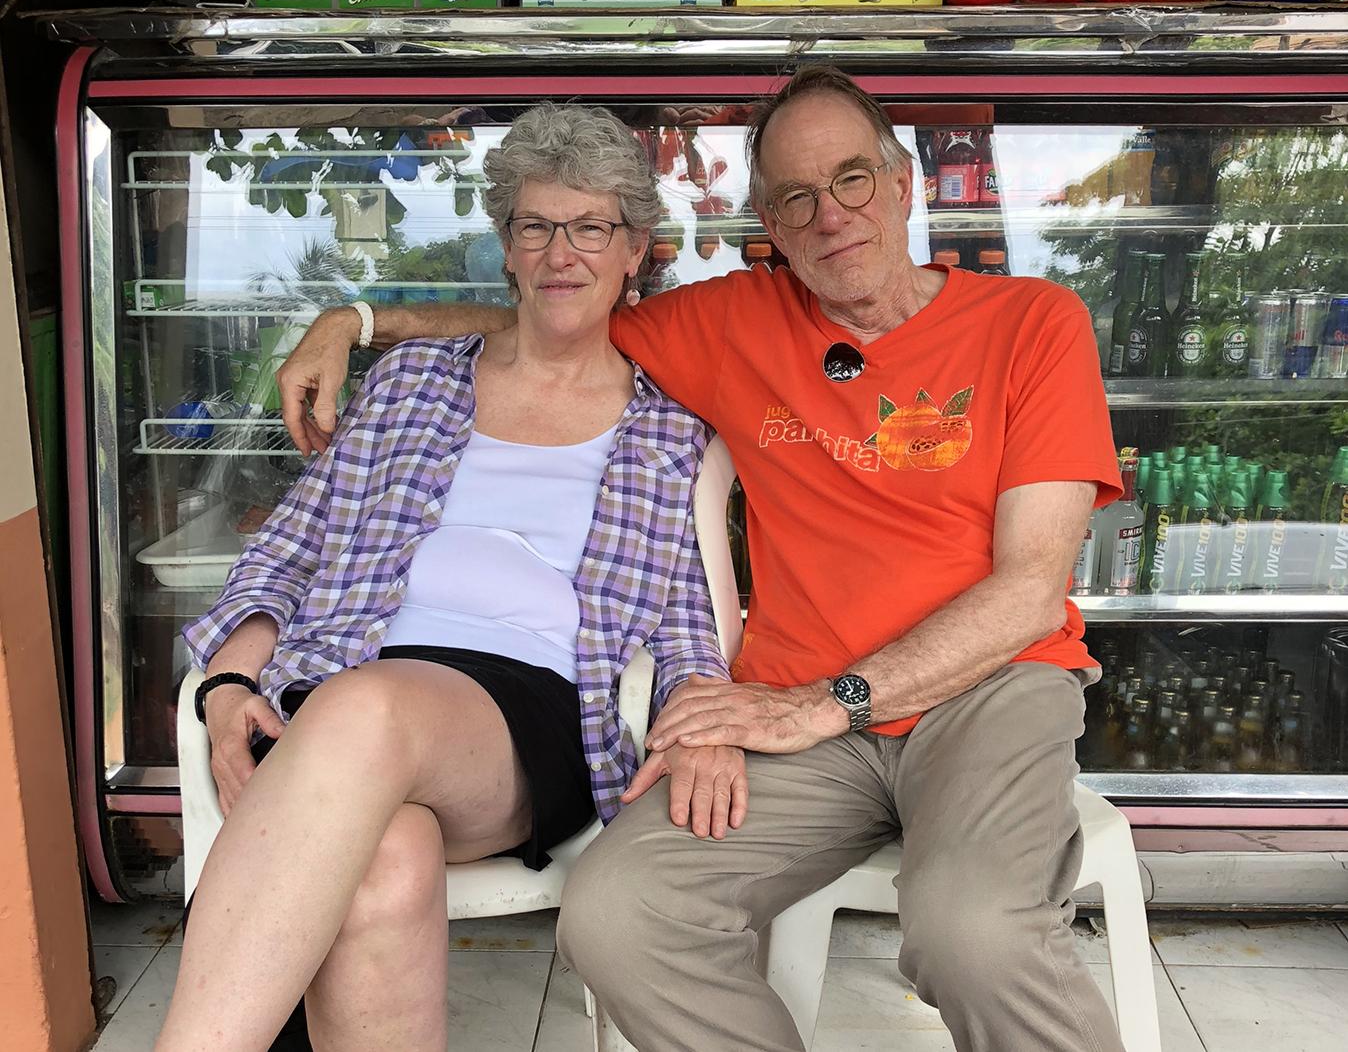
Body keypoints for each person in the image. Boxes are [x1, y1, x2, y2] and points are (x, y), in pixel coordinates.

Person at [278, 66, 1127, 1052]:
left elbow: (1029, 590)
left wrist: (828, 700)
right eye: (795, 198)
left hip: (982, 689)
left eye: (850, 179)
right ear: (768, 218)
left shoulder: (1030, 323)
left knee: (971, 931)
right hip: (796, 715)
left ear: (900, 184)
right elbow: (550, 317)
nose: (829, 216)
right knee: (618, 913)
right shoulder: (735, 320)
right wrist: (358, 322)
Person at [157, 104, 740, 1052]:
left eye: (590, 227)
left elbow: (685, 620)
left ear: (635, 249)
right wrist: (228, 680)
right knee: (386, 859)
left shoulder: (670, 427)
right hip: (350, 674)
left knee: (363, 711)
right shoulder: (412, 381)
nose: (562, 253)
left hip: (528, 711)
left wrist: (703, 718)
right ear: (505, 246)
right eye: (535, 226)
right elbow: (287, 553)